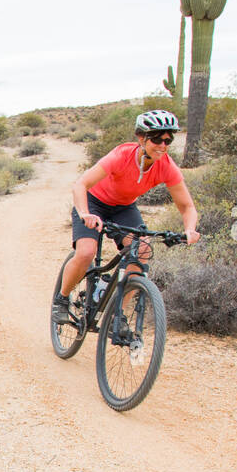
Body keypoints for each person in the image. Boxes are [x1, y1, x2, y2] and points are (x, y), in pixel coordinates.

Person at [53, 109, 200, 323]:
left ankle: (117, 315)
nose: (163, 145)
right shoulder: (121, 156)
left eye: (168, 140)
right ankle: (62, 299)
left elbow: (187, 206)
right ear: (141, 138)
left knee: (142, 250)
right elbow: (81, 185)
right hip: (93, 203)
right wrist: (84, 213)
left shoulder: (167, 167)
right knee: (86, 252)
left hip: (123, 208)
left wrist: (190, 229)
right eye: (157, 138)